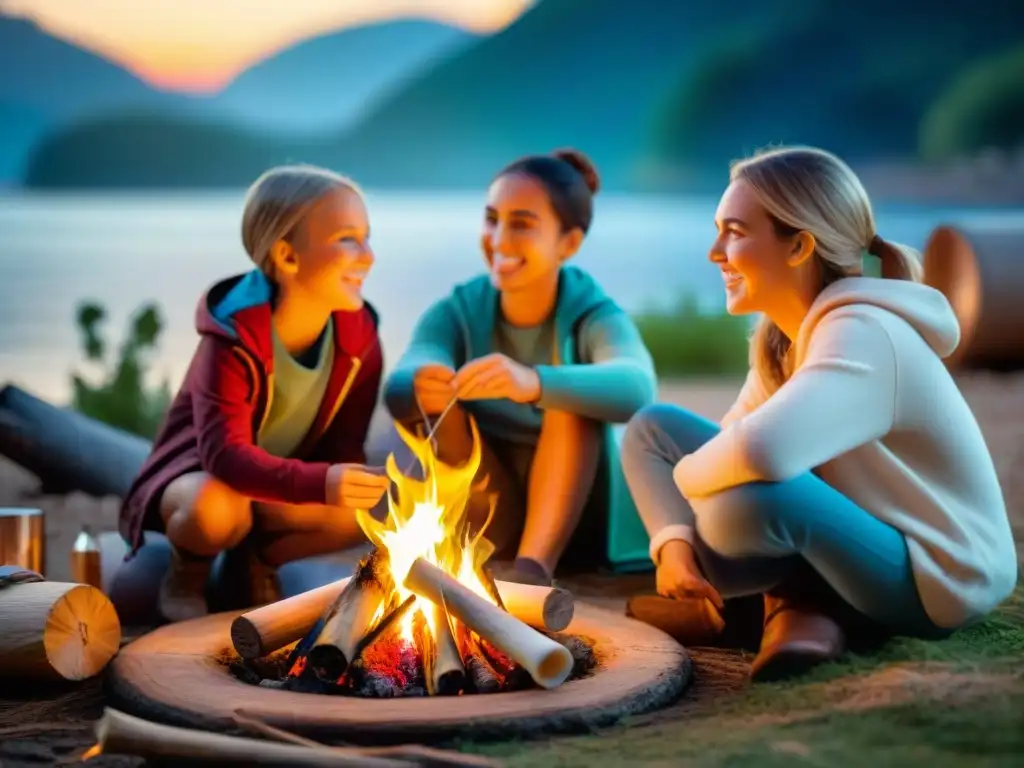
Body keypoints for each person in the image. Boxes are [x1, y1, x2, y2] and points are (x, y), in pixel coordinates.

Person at [620, 146, 1018, 681]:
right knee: (651, 430)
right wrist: (675, 546)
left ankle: (786, 611)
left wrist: (689, 478)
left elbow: (760, 450)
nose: (716, 251)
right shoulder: (782, 342)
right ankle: (749, 601)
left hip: (934, 577)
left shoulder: (864, 333)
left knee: (737, 507)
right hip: (854, 540)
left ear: (799, 245)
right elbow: (733, 440)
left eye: (735, 231)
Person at [119, 165, 390, 623]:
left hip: (272, 492)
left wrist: (350, 483)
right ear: (286, 256)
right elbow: (225, 457)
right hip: (204, 480)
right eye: (348, 238)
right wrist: (321, 482)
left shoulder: (360, 338)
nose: (368, 256)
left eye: (367, 237)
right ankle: (188, 571)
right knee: (214, 509)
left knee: (365, 512)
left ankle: (258, 561)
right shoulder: (231, 336)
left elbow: (344, 448)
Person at [383, 149, 656, 586]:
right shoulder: (460, 308)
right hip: (490, 514)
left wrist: (533, 382)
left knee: (569, 402)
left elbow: (638, 386)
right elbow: (403, 377)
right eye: (492, 218)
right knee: (437, 405)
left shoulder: (592, 312)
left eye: (522, 224)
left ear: (569, 243)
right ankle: (479, 555)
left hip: (576, 521)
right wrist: (423, 379)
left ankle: (533, 571)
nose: (499, 239)